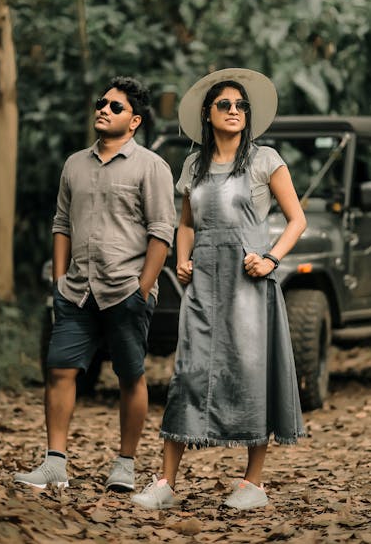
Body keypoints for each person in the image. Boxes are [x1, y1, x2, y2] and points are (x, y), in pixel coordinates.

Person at [132, 68, 307, 511]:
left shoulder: (267, 160)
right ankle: (166, 483)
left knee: (249, 372)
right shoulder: (194, 164)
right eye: (224, 105)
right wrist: (182, 259)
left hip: (249, 283)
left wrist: (270, 258)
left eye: (240, 106)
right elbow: (185, 222)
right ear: (208, 115)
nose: (234, 111)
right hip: (204, 283)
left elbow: (296, 220)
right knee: (188, 372)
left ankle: (253, 484)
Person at [15, 77, 176, 492]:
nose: (103, 109)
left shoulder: (151, 166)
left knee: (130, 376)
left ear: (135, 120)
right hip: (76, 290)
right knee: (60, 371)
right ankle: (54, 464)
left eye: (115, 106)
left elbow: (162, 231)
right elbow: (61, 223)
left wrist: (144, 287)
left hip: (125, 289)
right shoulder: (74, 164)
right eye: (101, 103)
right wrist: (58, 278)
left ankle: (125, 465)